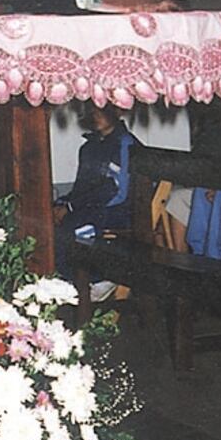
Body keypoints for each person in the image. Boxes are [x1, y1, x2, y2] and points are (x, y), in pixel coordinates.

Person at [53, 104, 138, 300]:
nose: (96, 114)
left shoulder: (125, 144)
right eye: (92, 110)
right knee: (50, 222)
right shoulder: (89, 148)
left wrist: (71, 207)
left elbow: (117, 190)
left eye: (102, 109)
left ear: (118, 111)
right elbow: (81, 189)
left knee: (74, 226)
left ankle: (99, 278)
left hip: (119, 209)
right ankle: (69, 281)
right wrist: (62, 203)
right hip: (91, 207)